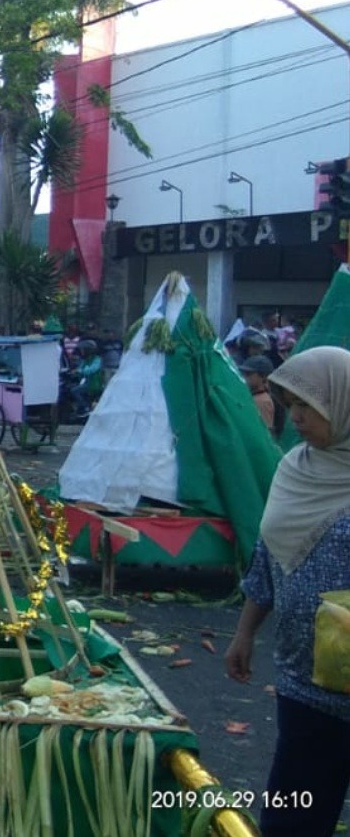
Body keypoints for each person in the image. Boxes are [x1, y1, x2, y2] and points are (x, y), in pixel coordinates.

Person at [226, 347, 350, 837]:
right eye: (290, 402)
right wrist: (244, 633)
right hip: (305, 684)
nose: (295, 417)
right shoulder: (294, 468)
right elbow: (268, 556)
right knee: (293, 815)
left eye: (307, 406)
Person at [239, 355, 280, 435]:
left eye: (248, 374)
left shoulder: (262, 401)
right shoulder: (256, 396)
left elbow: (266, 433)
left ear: (263, 376)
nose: (244, 378)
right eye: (243, 374)